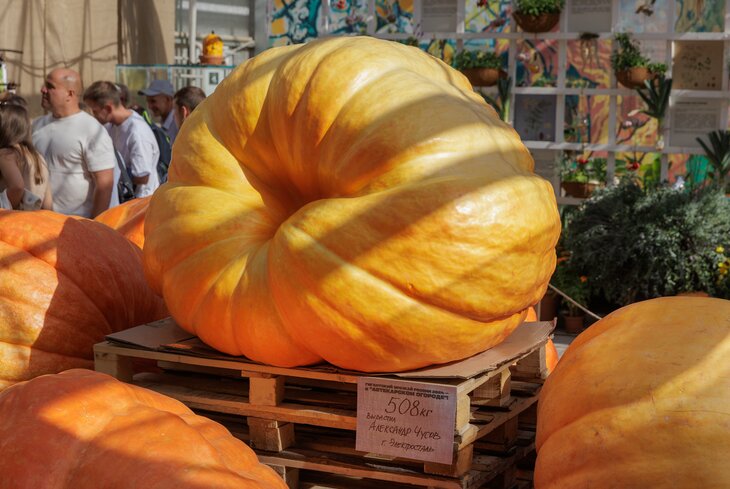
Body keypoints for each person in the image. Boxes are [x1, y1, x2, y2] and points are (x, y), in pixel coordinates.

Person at [32, 68, 116, 218]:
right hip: (40, 223)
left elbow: (104, 185)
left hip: (75, 226)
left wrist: (94, 227)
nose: (43, 90)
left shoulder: (92, 130)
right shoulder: (37, 126)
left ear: (70, 94)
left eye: (50, 86)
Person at [83, 81, 160, 199]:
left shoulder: (137, 132)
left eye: (95, 111)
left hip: (141, 202)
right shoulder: (110, 126)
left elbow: (142, 176)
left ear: (108, 108)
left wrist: (110, 175)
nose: (94, 115)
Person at [0, 101, 52, 210]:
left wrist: (8, 209)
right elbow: (48, 203)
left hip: (13, 223)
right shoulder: (37, 157)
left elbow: (17, 187)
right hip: (37, 222)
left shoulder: (6, 154)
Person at [138, 79, 178, 144]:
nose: (149, 106)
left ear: (168, 99)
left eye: (153, 101)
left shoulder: (177, 125)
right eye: (148, 102)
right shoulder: (166, 123)